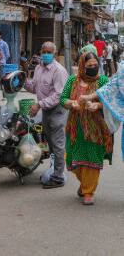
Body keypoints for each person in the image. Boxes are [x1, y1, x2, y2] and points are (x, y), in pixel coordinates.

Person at [60, 52, 111, 205]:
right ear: (82, 66)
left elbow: (110, 102)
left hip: (96, 129)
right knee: (73, 160)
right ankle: (84, 186)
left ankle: (88, 192)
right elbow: (62, 98)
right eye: (89, 66)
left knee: (92, 159)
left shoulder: (103, 80)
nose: (93, 68)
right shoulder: (72, 80)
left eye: (95, 65)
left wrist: (97, 105)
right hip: (75, 127)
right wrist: (71, 103)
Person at [25, 41, 69, 189]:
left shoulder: (59, 71)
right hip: (46, 111)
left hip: (57, 111)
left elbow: (58, 95)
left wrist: (39, 104)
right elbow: (34, 88)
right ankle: (54, 170)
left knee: (57, 145)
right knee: (50, 143)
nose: (45, 54)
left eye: (49, 52)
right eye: (43, 51)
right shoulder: (38, 68)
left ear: (55, 54)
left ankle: (58, 177)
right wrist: (23, 81)